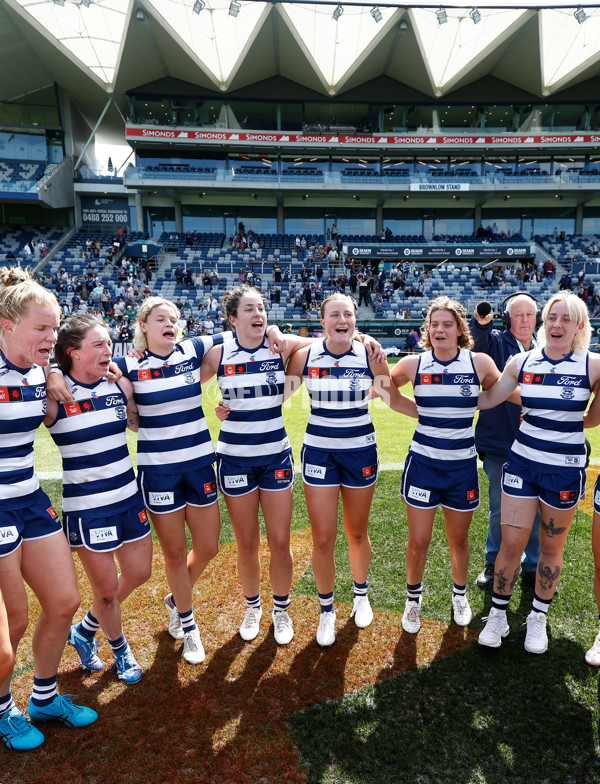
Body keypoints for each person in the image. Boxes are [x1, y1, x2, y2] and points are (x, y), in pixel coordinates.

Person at [0, 267, 97, 752]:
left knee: (64, 602)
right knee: (10, 626)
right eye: (41, 328)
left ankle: (42, 697)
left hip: (29, 499)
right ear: (6, 324)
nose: (51, 337)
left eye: (54, 328)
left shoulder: (41, 372)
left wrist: (53, 366)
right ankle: (3, 709)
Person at [284, 293, 417, 646]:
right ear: (322, 320)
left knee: (357, 532)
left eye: (348, 314)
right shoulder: (305, 355)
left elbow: (389, 396)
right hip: (319, 454)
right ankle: (327, 610)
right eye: (334, 314)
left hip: (360, 452)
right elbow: (280, 396)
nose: (341, 320)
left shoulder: (371, 354)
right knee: (323, 537)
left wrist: (440, 414)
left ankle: (361, 595)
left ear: (355, 321)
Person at [478, 292, 600, 654]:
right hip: (522, 465)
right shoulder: (522, 360)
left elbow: (593, 418)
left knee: (551, 547)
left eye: (566, 319)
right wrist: (442, 400)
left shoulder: (592, 365)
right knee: (511, 545)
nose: (556, 325)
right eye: (552, 318)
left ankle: (538, 618)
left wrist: (569, 422)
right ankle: (498, 615)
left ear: (579, 325)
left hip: (564, 471)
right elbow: (489, 397)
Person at [46, 314, 152, 684]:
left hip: (128, 496)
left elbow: (135, 416)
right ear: (73, 353)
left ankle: (84, 629)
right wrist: (51, 372)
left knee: (140, 572)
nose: (108, 350)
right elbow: (23, 371)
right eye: (98, 345)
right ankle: (121, 651)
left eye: (109, 343)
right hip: (87, 507)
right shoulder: (54, 395)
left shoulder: (116, 383)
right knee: (106, 593)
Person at [390, 297, 503, 634]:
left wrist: (537, 406)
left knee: (459, 540)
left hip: (461, 467)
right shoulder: (413, 364)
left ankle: (459, 594)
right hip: (423, 464)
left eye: (447, 324)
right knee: (419, 540)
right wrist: (418, 412)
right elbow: (383, 389)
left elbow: (500, 392)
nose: (439, 330)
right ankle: (413, 601)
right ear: (428, 329)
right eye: (434, 324)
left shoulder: (478, 362)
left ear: (459, 329)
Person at [206, 286, 309, 646]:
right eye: (249, 309)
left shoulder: (278, 346)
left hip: (275, 455)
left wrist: (275, 332)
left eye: (262, 308)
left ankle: (281, 610)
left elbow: (310, 345)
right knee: (247, 543)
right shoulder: (218, 352)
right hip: (234, 456)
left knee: (281, 541)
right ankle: (253, 607)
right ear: (233, 318)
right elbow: (182, 378)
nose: (258, 313)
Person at [471, 293, 542, 590]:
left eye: (530, 314)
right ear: (507, 317)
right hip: (502, 444)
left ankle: (533, 565)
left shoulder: (547, 348)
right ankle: (493, 562)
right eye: (518, 314)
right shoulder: (497, 341)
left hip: (540, 444)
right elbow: (478, 344)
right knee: (500, 507)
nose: (524, 320)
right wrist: (481, 322)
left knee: (539, 507)